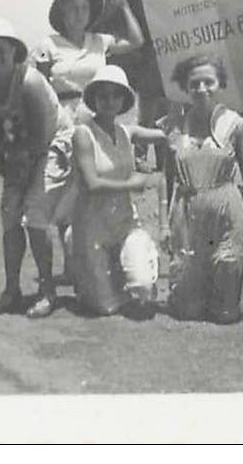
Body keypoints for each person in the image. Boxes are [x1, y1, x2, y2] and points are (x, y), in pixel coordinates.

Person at [33, 0, 145, 282]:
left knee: (95, 187)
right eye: (72, 9)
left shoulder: (99, 41)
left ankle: (97, 256)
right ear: (61, 13)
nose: (79, 14)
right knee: (65, 191)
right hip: (61, 121)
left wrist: (122, 5)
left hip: (97, 119)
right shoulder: (48, 44)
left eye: (84, 8)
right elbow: (40, 90)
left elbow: (136, 40)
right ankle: (72, 264)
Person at [0, 17, 69, 319]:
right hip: (17, 152)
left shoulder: (30, 81)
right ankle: (11, 290)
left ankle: (47, 290)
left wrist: (26, 172)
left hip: (52, 143)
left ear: (15, 51)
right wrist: (5, 170)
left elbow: (43, 132)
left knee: (35, 216)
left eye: (2, 50)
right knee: (9, 217)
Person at [160, 54, 243, 324]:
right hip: (187, 214)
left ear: (220, 84)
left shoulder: (235, 124)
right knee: (186, 311)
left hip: (227, 211)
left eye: (209, 82)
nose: (202, 89)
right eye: (194, 84)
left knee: (225, 314)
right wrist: (164, 224)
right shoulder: (174, 127)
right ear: (185, 87)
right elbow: (165, 178)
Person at [69, 65, 166, 316]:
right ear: (94, 100)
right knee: (106, 306)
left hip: (123, 221)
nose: (109, 101)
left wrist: (178, 123)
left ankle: (119, 266)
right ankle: (86, 260)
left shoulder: (126, 131)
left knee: (143, 290)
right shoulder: (83, 134)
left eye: (115, 95)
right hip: (92, 224)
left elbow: (162, 134)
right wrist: (131, 184)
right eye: (103, 96)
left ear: (124, 100)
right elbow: (92, 183)